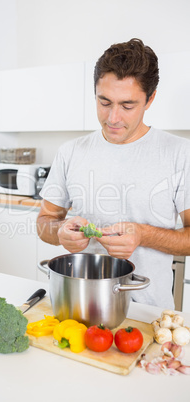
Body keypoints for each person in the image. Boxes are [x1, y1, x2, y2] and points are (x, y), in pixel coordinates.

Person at [36, 38, 190, 309]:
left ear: (150, 99)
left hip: (148, 312)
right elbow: (44, 222)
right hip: (79, 306)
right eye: (104, 102)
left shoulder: (179, 153)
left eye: (127, 105)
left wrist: (143, 235)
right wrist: (59, 230)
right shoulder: (71, 152)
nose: (113, 118)